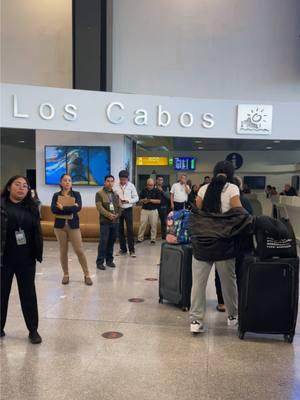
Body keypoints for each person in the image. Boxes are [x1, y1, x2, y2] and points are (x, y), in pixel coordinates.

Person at [189, 160, 252, 334]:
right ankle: (232, 317)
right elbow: (239, 211)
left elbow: (197, 211)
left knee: (198, 284)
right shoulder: (232, 188)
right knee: (228, 282)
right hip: (224, 243)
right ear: (231, 174)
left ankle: (196, 320)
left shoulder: (203, 188)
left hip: (202, 243)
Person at [1, 176, 43, 344]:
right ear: (9, 187)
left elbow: (36, 233)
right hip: (4, 258)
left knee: (28, 294)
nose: (21, 188)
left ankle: (33, 330)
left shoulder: (32, 208)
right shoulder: (1, 205)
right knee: (1, 293)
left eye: (25, 186)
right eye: (17, 184)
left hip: (26, 259)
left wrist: (38, 253)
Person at [51, 174, 93, 285]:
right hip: (59, 227)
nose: (67, 182)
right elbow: (54, 210)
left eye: (69, 180)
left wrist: (63, 208)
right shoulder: (56, 195)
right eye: (65, 180)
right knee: (63, 251)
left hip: (73, 226)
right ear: (61, 183)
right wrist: (70, 208)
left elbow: (78, 208)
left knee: (79, 250)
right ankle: (66, 274)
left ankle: (87, 275)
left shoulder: (76, 194)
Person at [95, 175, 121, 270]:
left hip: (115, 222)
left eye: (111, 181)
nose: (110, 183)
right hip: (105, 222)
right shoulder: (99, 194)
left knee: (111, 242)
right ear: (104, 182)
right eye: (108, 181)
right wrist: (109, 215)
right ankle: (100, 262)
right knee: (103, 242)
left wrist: (118, 214)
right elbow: (99, 208)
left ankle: (109, 261)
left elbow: (119, 206)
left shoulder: (115, 194)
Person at [114, 170, 139, 257]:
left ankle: (132, 250)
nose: (123, 181)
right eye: (122, 179)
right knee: (120, 230)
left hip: (128, 209)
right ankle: (123, 249)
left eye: (125, 179)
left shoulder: (131, 186)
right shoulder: (115, 186)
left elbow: (136, 198)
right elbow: (113, 198)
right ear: (119, 178)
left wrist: (128, 200)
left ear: (128, 178)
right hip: (119, 210)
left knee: (130, 230)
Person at [137, 178, 161, 244]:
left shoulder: (157, 191)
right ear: (146, 184)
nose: (149, 186)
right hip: (144, 210)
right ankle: (140, 238)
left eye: (151, 185)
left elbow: (159, 201)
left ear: (153, 185)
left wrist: (150, 200)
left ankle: (153, 239)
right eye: (148, 185)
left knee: (154, 225)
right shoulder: (143, 190)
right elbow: (139, 200)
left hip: (153, 210)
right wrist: (143, 200)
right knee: (142, 224)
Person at [155, 175, 170, 240]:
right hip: (155, 207)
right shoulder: (154, 187)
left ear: (163, 181)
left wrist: (162, 191)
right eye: (159, 180)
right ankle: (153, 237)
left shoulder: (165, 187)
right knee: (153, 222)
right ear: (156, 180)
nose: (160, 181)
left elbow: (168, 197)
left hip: (163, 207)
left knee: (164, 222)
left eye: (161, 180)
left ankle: (164, 236)